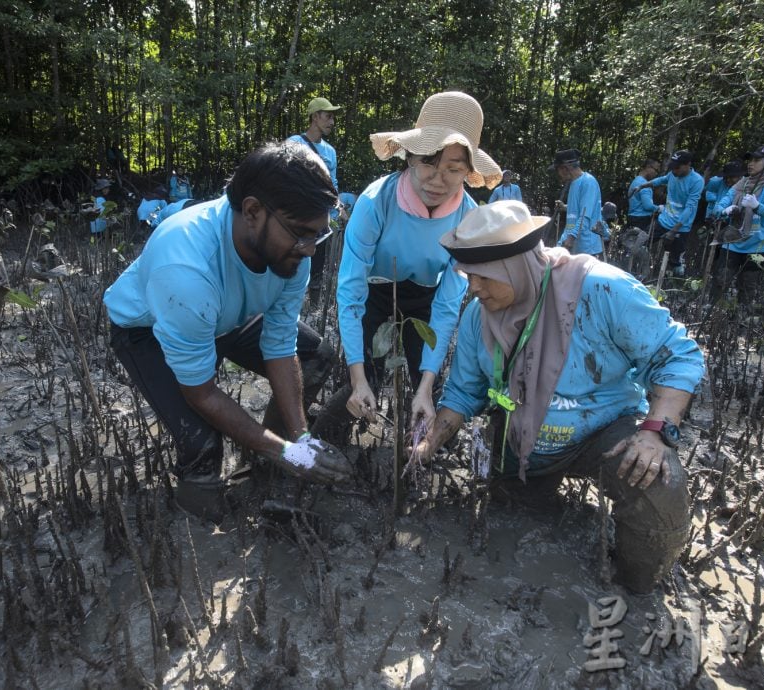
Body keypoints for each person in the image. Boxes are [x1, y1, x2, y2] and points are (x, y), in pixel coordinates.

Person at [413, 201, 705, 593]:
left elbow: (676, 353)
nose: (473, 288)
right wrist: (430, 440)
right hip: (517, 438)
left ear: (516, 265)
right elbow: (464, 394)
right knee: (517, 519)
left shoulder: (602, 288)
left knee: (658, 487)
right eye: (467, 276)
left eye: (483, 277)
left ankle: (635, 589)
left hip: (602, 429)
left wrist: (655, 432)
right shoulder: (476, 317)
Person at [105, 142, 352, 522]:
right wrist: (284, 451)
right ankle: (201, 521)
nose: (309, 251)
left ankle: (270, 459)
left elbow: (280, 344)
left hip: (225, 316)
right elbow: (202, 393)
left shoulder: (293, 250)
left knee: (315, 355)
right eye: (302, 235)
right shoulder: (185, 269)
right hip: (148, 330)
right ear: (252, 211)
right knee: (203, 442)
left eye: (317, 236)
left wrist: (301, 440)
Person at [313, 91, 501, 441]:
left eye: (453, 169)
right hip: (374, 290)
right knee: (363, 379)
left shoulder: (468, 220)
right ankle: (315, 449)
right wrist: (358, 379)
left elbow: (447, 306)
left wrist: (427, 385)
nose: (437, 179)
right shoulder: (375, 202)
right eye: (428, 162)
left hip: (426, 299)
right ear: (409, 157)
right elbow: (351, 291)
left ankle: (421, 453)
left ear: (467, 172)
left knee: (428, 384)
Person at [710, 146, 764, 303]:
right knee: (720, 278)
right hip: (733, 240)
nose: (751, 164)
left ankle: (741, 318)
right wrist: (724, 210)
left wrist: (756, 205)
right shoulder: (743, 183)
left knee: (747, 284)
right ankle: (712, 311)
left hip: (760, 243)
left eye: (757, 160)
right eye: (750, 160)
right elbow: (721, 204)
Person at [289, 97, 343, 302]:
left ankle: (313, 305)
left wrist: (337, 207)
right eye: (328, 116)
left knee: (317, 259)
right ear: (314, 117)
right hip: (295, 215)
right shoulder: (294, 143)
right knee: (291, 257)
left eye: (333, 117)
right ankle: (288, 300)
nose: (332, 122)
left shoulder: (330, 151)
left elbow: (333, 183)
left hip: (320, 216)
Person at [633, 150, 704, 275]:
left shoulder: (697, 181)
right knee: (640, 242)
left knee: (675, 263)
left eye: (677, 168)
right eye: (673, 168)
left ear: (688, 165)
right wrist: (642, 186)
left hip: (680, 227)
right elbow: (661, 180)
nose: (674, 171)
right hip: (663, 220)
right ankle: (640, 272)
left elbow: (690, 207)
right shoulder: (672, 174)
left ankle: (671, 286)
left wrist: (674, 230)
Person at [551, 149, 604, 258]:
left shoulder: (588, 182)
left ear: (565, 168)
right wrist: (564, 207)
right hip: (575, 245)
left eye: (558, 170)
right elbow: (576, 210)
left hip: (587, 248)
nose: (558, 175)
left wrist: (571, 238)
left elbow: (585, 216)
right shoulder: (574, 183)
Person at [627, 158, 660, 231]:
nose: (656, 173)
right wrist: (659, 208)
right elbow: (647, 206)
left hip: (632, 218)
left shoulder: (635, 181)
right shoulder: (644, 184)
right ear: (648, 167)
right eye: (656, 170)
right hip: (641, 220)